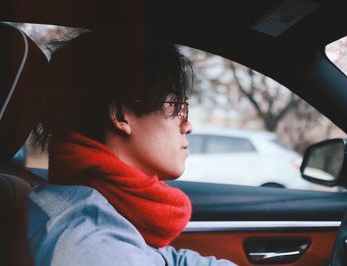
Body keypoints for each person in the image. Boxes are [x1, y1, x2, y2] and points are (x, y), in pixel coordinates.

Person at [27, 29, 236, 266]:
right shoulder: (93, 242)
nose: (188, 125)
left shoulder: (100, 209)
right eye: (177, 106)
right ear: (120, 116)